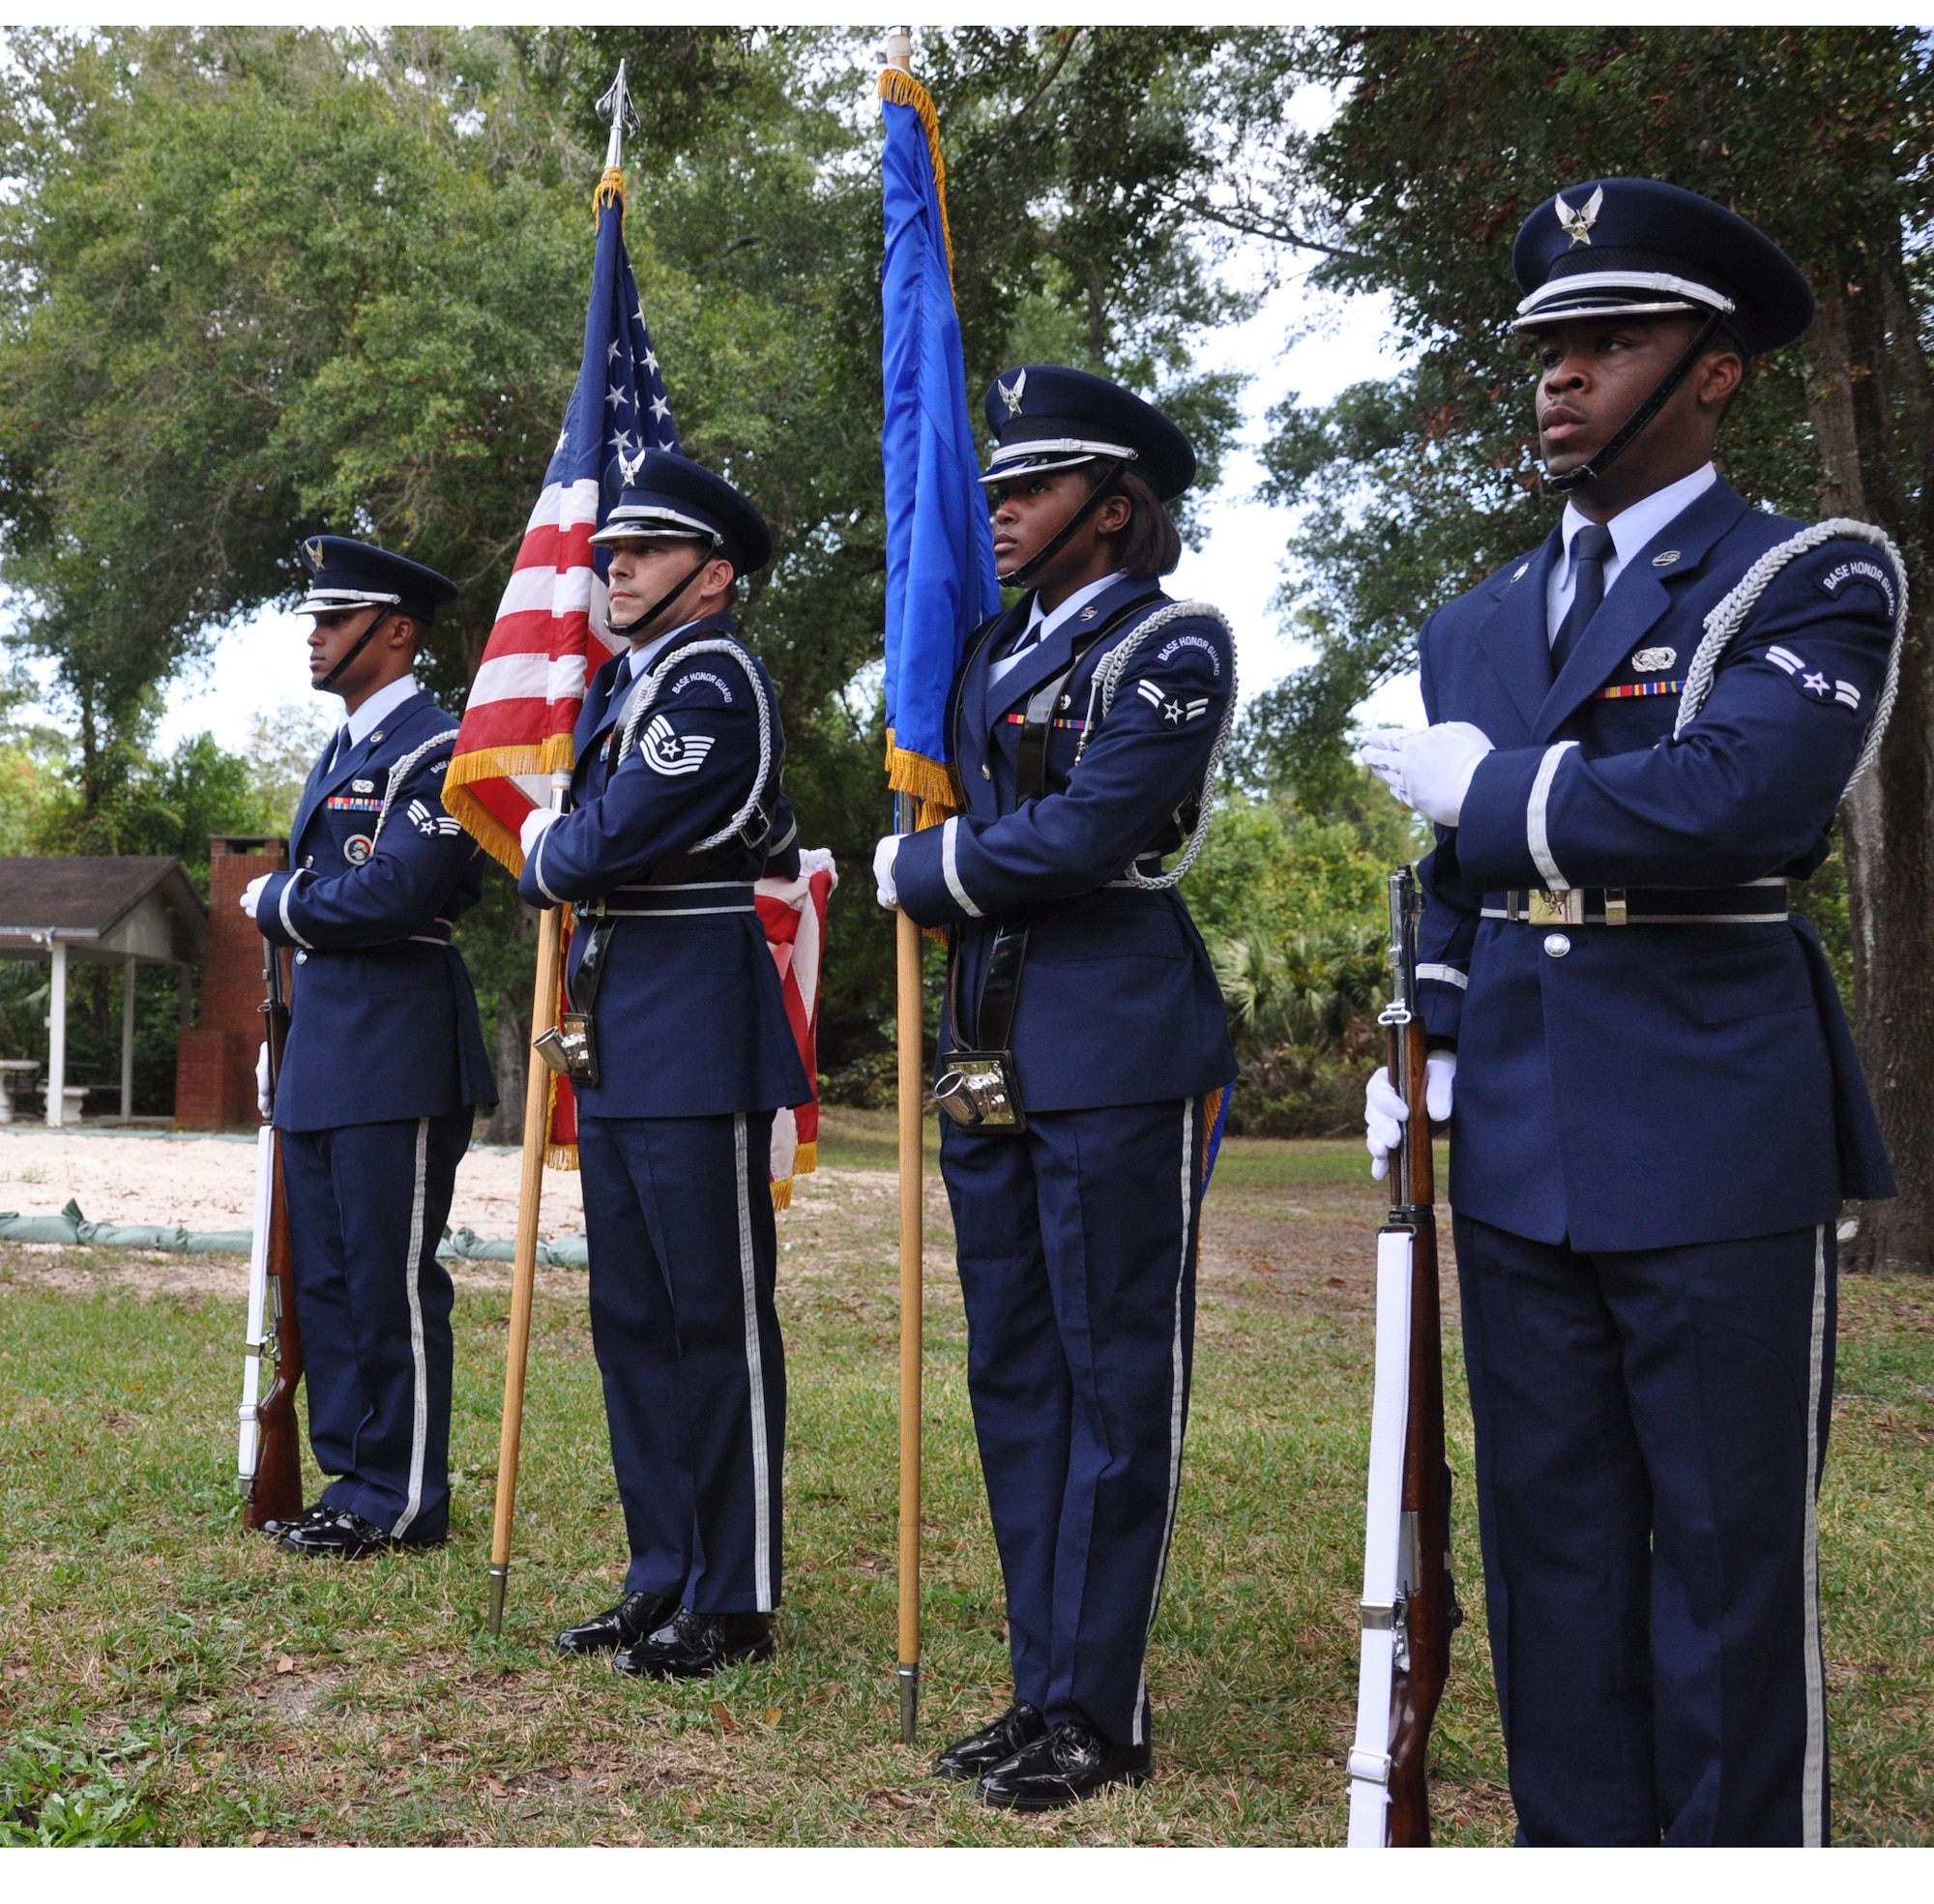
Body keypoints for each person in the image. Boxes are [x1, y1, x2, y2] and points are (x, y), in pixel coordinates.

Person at [1359, 178, 1902, 1846]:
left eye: (1609, 341)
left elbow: (1740, 795)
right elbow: (1453, 881)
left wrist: (1494, 785)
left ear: (1714, 369)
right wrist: (1431, 1034)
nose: (1560, 377)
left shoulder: (1809, 574)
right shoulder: (1475, 622)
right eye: (1546, 347)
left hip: (1712, 1117)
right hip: (1518, 1123)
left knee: (1728, 1557)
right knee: (1554, 1547)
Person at [874, 366, 1237, 1810]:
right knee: (1016, 1371)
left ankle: (1101, 1704)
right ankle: (1041, 1684)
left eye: (1031, 488)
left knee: (1110, 1375)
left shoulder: (1172, 645)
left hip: (1112, 1042)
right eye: (997, 487)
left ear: (1114, 504)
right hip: (991, 1050)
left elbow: (1090, 829)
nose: (1001, 509)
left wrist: (927, 873)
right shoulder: (977, 660)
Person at [516, 450, 808, 1681]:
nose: (612, 565)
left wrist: (548, 848)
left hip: (694, 1015)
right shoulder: (630, 688)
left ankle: (732, 1592)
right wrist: (564, 846)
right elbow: (593, 842)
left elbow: (604, 841)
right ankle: (661, 1572)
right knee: (631, 1314)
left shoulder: (712, 681)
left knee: (713, 1317)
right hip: (625, 1015)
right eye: (607, 552)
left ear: (712, 573)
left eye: (640, 550)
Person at [243, 536, 498, 1559]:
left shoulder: (439, 747)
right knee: (329, 1279)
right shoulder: (345, 749)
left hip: (400, 1043)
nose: (313, 636)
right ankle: (352, 1482)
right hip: (326, 1044)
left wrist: (279, 901)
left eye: (332, 619)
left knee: (389, 1279)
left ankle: (403, 1497)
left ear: (394, 631)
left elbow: (397, 890)